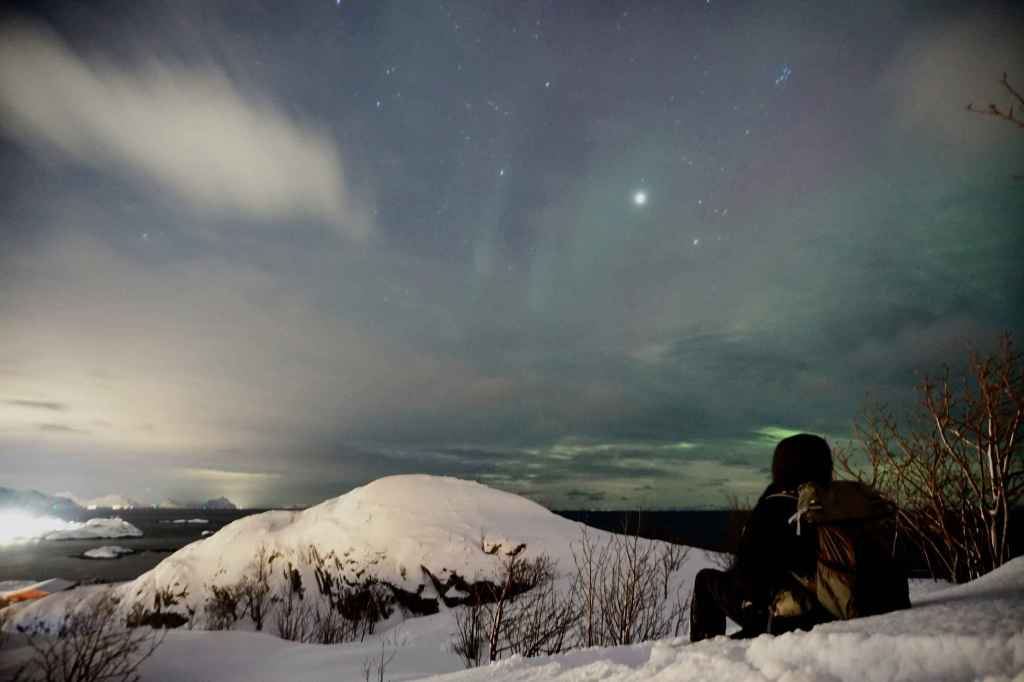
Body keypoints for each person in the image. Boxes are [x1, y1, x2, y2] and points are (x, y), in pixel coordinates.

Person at [689, 433, 835, 642]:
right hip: (830, 606)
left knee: (705, 580)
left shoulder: (773, 505)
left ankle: (704, 650)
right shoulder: (835, 503)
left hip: (781, 616)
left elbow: (748, 570)